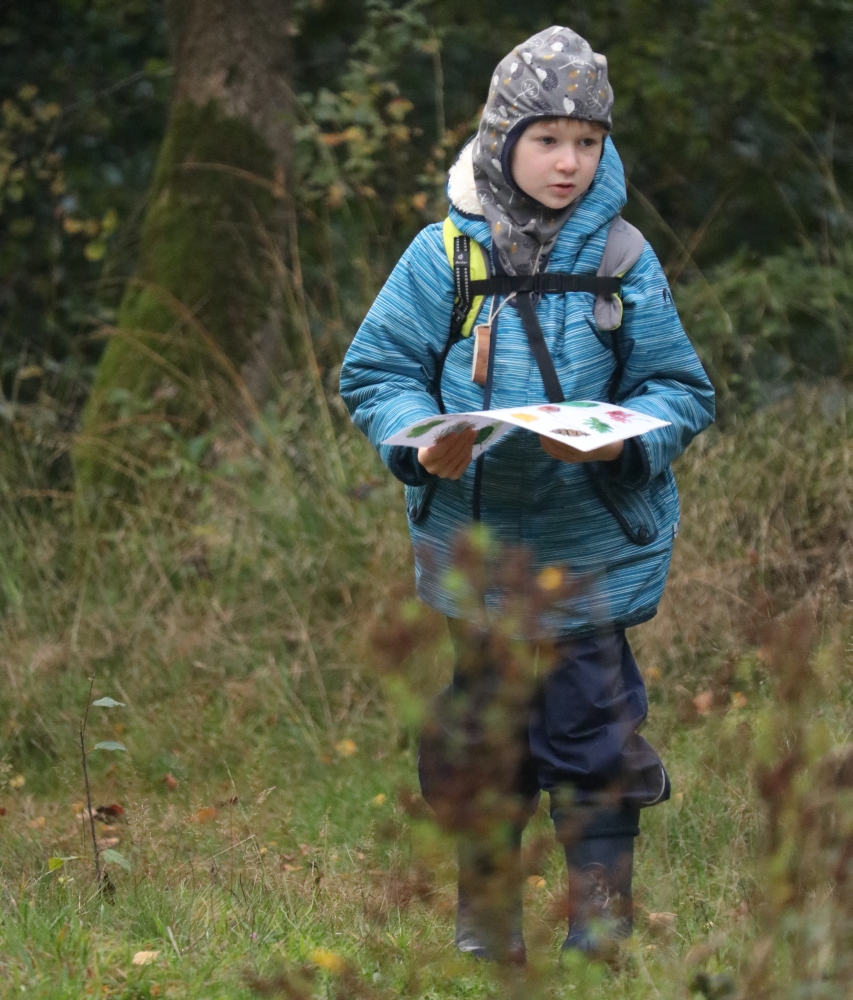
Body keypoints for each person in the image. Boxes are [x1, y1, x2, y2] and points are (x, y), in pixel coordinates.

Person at [340, 25, 715, 963]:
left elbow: (680, 390)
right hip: (480, 543)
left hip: (590, 546)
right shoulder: (446, 255)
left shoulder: (623, 258)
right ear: (503, 138)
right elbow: (377, 371)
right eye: (547, 139)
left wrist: (622, 445)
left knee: (593, 728)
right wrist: (416, 442)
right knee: (482, 735)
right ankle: (485, 920)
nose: (568, 162)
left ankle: (599, 918)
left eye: (587, 143)